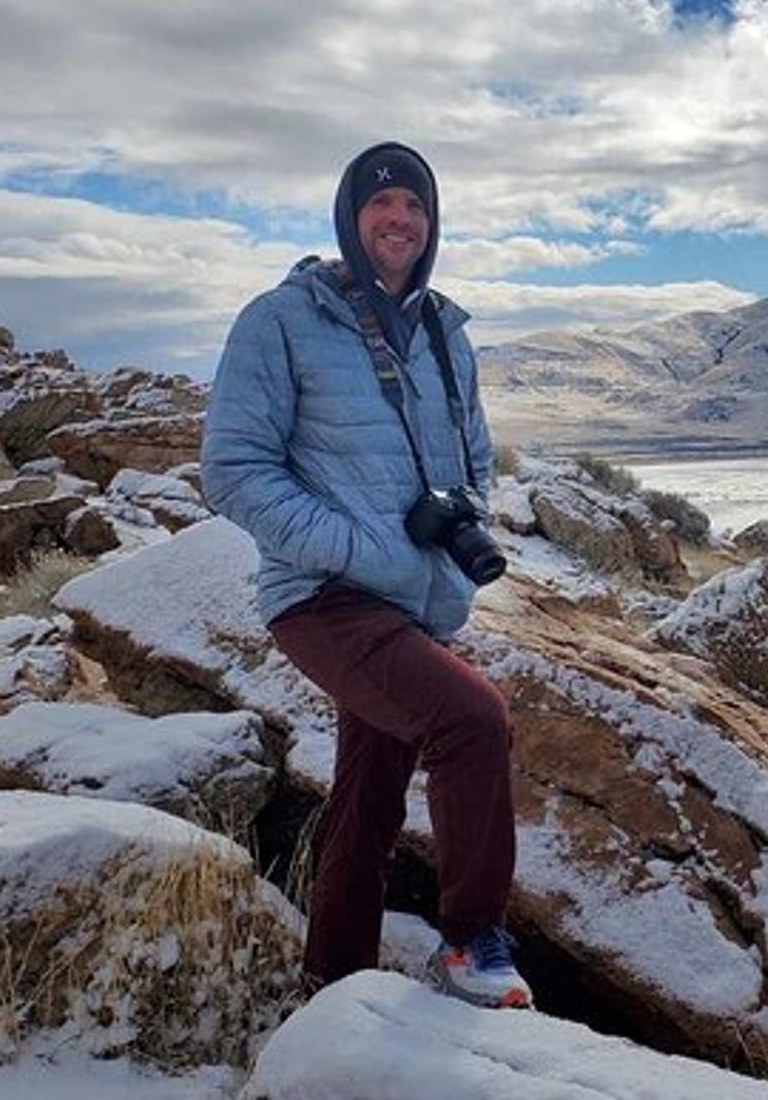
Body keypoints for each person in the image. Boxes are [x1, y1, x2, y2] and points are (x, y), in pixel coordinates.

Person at [201, 141, 530, 1009]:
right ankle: (472, 942)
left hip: (411, 600)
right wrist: (351, 545)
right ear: (350, 217)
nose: (400, 219)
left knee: (367, 799)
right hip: (323, 594)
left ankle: (330, 984)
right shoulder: (281, 320)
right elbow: (232, 469)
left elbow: (476, 455)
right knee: (472, 719)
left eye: (415, 205)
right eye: (382, 203)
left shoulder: (444, 332)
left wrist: (462, 515)